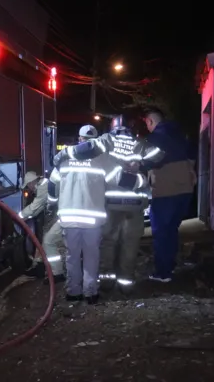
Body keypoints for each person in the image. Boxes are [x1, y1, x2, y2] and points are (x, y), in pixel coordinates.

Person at [52, 114, 151, 294]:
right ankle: (99, 290)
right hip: (101, 214)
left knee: (79, 254)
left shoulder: (67, 157)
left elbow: (53, 183)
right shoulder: (105, 158)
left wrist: (53, 203)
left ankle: (77, 291)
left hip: (77, 215)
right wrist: (142, 181)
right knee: (101, 253)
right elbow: (120, 178)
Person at [138, 107, 196, 282]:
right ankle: (169, 265)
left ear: (150, 121)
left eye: (146, 124)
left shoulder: (154, 138)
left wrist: (139, 166)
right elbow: (193, 154)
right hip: (185, 190)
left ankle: (163, 272)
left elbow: (148, 162)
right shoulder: (181, 134)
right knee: (171, 230)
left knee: (161, 232)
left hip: (166, 191)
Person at [19, 171, 66, 284]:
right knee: (45, 239)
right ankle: (40, 268)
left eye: (28, 186)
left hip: (63, 215)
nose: (29, 189)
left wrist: (18, 216)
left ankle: (57, 273)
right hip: (58, 214)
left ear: (31, 183)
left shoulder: (43, 187)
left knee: (48, 241)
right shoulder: (43, 184)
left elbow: (35, 208)